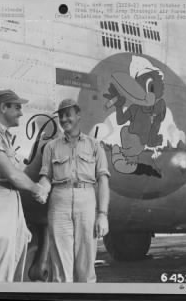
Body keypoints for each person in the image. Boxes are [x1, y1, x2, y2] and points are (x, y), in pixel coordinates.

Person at [0, 89, 47, 282]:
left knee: (12, 269)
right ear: (3, 108)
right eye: (17, 107)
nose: (21, 112)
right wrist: (37, 189)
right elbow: (12, 174)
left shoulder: (4, 137)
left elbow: (18, 174)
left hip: (10, 201)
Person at [38, 98, 110, 282]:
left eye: (67, 115)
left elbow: (103, 181)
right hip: (59, 200)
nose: (63, 119)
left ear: (78, 115)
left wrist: (102, 215)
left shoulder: (95, 146)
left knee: (86, 267)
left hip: (86, 199)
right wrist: (42, 189)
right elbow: (46, 176)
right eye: (61, 116)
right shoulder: (51, 147)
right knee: (60, 269)